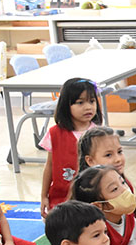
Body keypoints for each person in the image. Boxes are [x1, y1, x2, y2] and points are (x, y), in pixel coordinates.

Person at [41, 78, 103, 217]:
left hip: (93, 198)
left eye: (92, 101)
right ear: (66, 105)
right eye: (80, 102)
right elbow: (49, 166)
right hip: (61, 199)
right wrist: (44, 196)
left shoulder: (99, 133)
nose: (88, 107)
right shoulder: (54, 133)